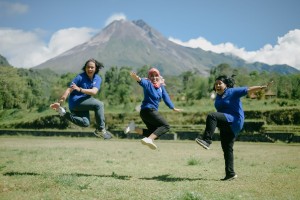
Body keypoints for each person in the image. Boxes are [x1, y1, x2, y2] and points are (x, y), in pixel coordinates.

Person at [195, 75, 272, 181]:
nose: (217, 85)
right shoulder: (218, 96)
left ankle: (207, 140)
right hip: (227, 123)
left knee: (212, 116)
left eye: (220, 83)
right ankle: (230, 174)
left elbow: (248, 89)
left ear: (225, 84)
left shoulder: (233, 91)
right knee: (227, 148)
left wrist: (262, 87)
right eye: (216, 83)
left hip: (235, 120)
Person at [50, 58, 112, 139]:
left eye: (92, 67)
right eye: (88, 67)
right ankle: (101, 130)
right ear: (85, 68)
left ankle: (64, 113)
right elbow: (69, 89)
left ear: (96, 68)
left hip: (84, 104)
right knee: (99, 105)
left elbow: (94, 92)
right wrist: (60, 102)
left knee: (85, 123)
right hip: (75, 102)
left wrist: (80, 89)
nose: (89, 69)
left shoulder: (97, 78)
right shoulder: (79, 77)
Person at [124, 68, 182, 150]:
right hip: (149, 110)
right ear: (149, 77)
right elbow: (141, 81)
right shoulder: (148, 83)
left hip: (145, 112)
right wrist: (136, 77)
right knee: (165, 126)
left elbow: (166, 98)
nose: (154, 78)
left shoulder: (161, 87)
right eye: (152, 76)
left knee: (154, 133)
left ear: (159, 77)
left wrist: (172, 107)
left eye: (156, 76)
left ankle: (133, 127)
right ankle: (149, 139)